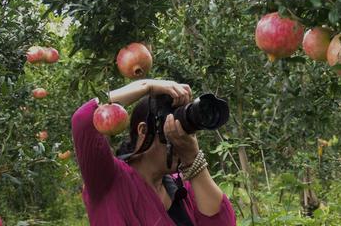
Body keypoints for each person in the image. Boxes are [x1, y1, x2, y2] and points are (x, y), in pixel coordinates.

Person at [71, 79, 237, 226]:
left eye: (186, 131)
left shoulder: (182, 187)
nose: (180, 137)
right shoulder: (108, 180)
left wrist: (193, 160)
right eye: (171, 129)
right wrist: (147, 86)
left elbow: (222, 221)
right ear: (144, 131)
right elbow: (83, 120)